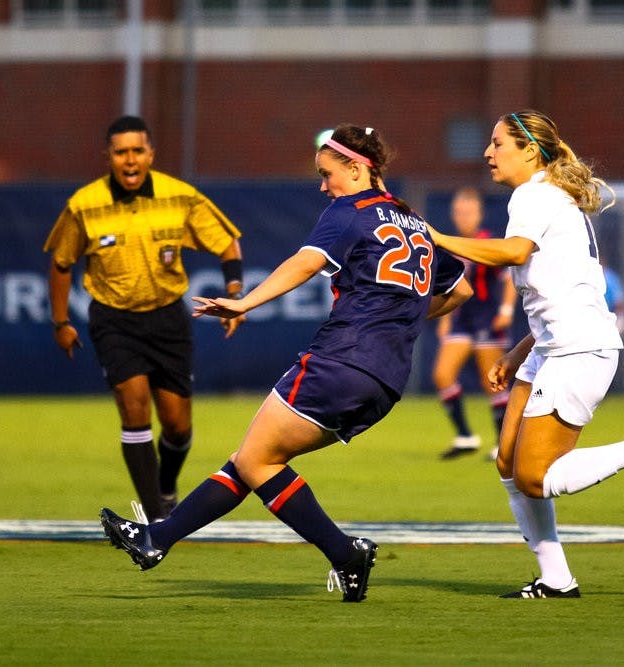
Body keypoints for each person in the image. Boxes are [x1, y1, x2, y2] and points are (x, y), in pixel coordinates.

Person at [100, 124, 472, 602]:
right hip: (386, 382)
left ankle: (343, 552)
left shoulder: (350, 210)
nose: (323, 186)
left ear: (357, 169)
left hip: (341, 361)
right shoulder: (415, 220)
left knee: (256, 459)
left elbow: (306, 261)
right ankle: (157, 539)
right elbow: (458, 289)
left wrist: (245, 302)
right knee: (254, 458)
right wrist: (400, 317)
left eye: (327, 174)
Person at [426, 109, 624, 598]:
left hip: (580, 349)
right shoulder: (544, 196)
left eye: (497, 144)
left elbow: (513, 253)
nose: (488, 153)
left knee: (535, 478)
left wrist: (438, 238)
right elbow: (562, 292)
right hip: (554, 345)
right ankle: (556, 579)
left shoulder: (535, 194)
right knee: (508, 464)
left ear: (530, 149)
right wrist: (517, 352)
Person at [44, 115, 246, 522]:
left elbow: (227, 242)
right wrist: (61, 323)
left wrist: (235, 293)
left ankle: (165, 487)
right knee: (134, 410)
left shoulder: (180, 196)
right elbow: (62, 263)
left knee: (177, 426)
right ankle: (157, 522)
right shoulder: (84, 205)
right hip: (114, 320)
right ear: (108, 157)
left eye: (138, 150)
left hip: (168, 320)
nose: (130, 160)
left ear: (151, 154)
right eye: (121, 152)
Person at [432, 187, 518, 461]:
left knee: (492, 381)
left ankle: (503, 444)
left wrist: (506, 310)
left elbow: (509, 279)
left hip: (488, 318)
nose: (463, 217)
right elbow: (448, 287)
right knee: (442, 375)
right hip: (461, 319)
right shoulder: (452, 246)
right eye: (458, 212)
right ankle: (465, 436)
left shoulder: (488, 242)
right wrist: (445, 318)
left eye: (468, 211)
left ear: (479, 214)